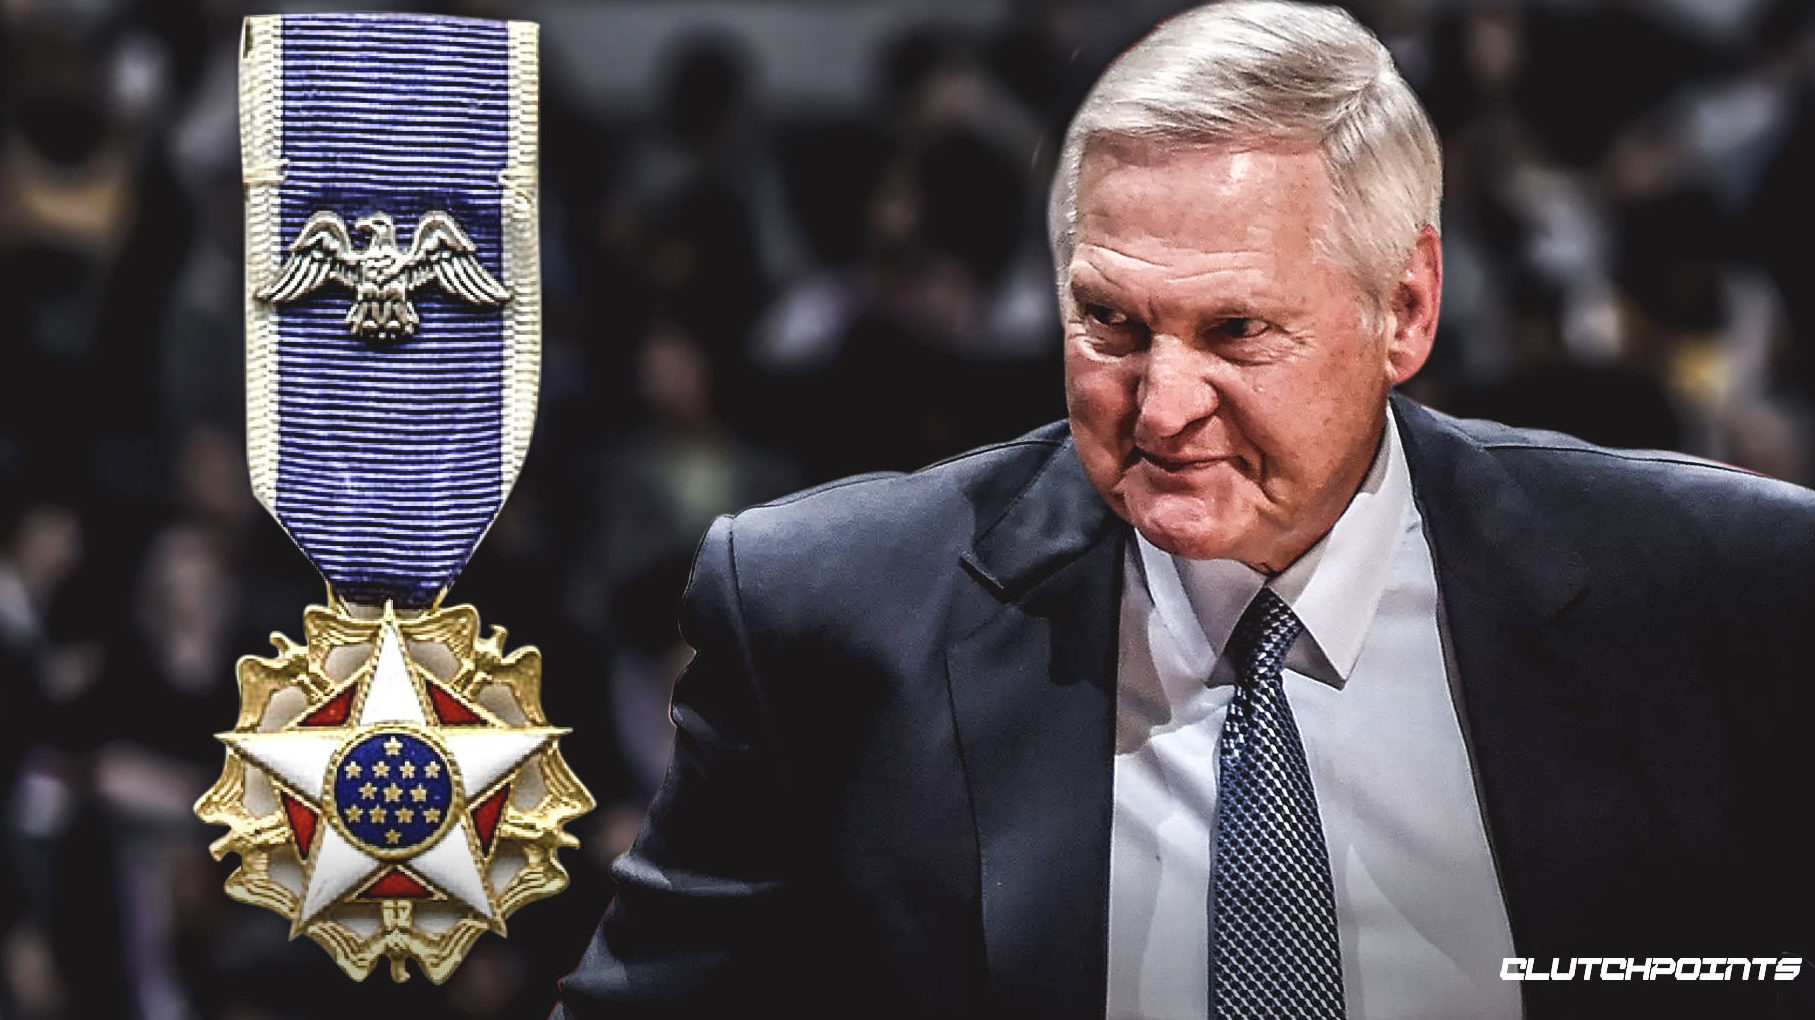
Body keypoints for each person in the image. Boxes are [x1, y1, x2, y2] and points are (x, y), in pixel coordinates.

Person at [554, 3, 1814, 1017]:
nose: (1159, 409)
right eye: (1110, 322)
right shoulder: (823, 614)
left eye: (1236, 331)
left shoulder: (1723, 588)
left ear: (1407, 310)